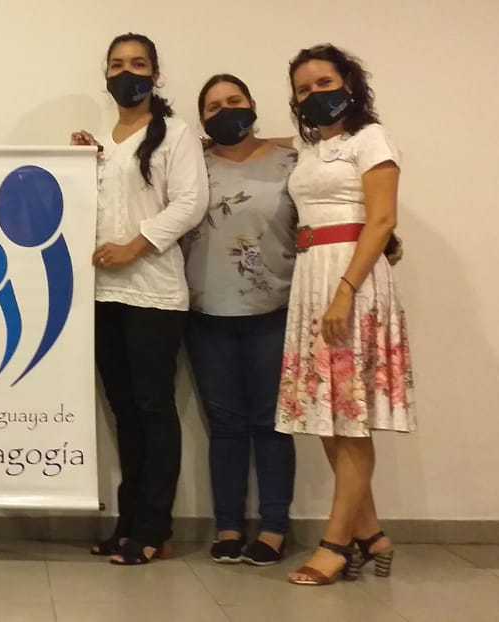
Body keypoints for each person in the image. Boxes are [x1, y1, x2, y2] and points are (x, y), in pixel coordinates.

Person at [276, 44, 414, 586]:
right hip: (312, 276)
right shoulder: (308, 149)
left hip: (349, 279)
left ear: (349, 85)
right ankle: (371, 534)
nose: (314, 94)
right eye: (303, 89)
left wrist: (344, 292)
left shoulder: (371, 138)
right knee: (329, 418)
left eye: (324, 83)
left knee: (349, 420)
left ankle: (334, 544)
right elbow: (264, 147)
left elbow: (381, 220)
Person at [71, 33, 208, 566]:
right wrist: (78, 163)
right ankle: (128, 523)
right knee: (123, 411)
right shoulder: (102, 142)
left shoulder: (175, 134)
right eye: (117, 64)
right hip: (101, 294)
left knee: (153, 409)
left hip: (153, 293)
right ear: (105, 75)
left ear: (156, 74)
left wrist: (136, 245)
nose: (127, 73)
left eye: (138, 63)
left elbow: (191, 202)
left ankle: (154, 528)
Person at [182, 74, 298, 566]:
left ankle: (274, 528)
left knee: (272, 423)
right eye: (213, 106)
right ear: (202, 119)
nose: (225, 110)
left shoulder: (291, 162)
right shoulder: (191, 166)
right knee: (225, 426)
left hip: (275, 310)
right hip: (206, 312)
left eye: (234, 100)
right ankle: (227, 526)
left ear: (252, 104)